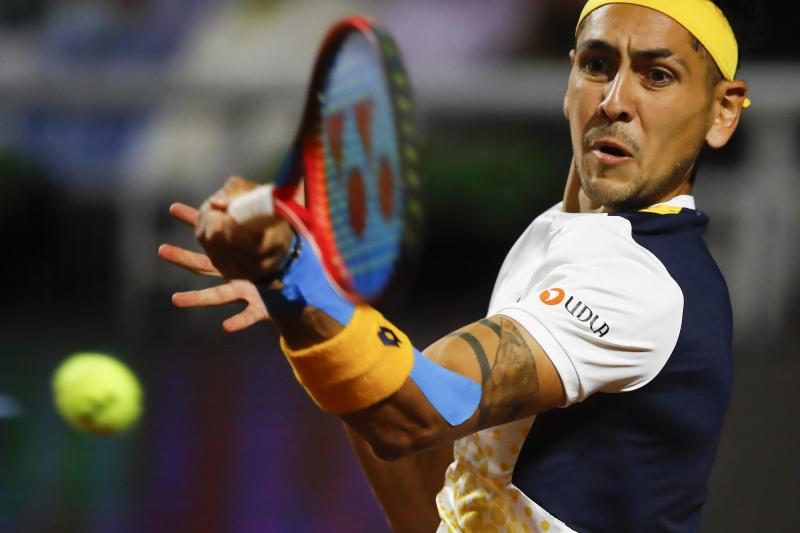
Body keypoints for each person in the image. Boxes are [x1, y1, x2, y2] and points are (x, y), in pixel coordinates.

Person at [159, 1, 752, 531]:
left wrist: (297, 279)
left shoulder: (639, 281)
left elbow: (409, 409)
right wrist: (305, 300)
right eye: (597, 65)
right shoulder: (557, 233)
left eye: (657, 76)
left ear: (722, 112)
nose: (615, 101)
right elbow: (429, 481)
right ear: (569, 77)